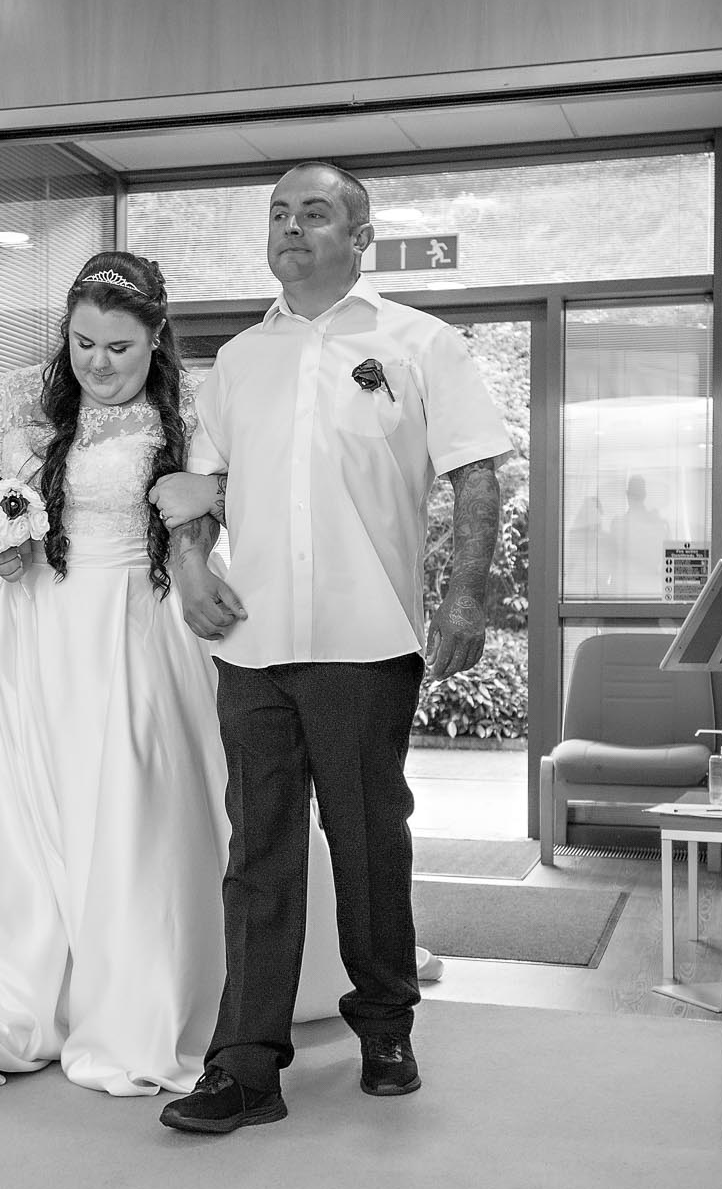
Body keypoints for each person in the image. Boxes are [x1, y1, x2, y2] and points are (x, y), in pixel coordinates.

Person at [0, 251, 405, 1097]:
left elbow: (216, 503)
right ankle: (25, 989)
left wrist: (196, 544)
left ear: (156, 341)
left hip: (144, 621)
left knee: (141, 805)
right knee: (23, 810)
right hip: (32, 633)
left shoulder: (190, 404)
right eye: (82, 341)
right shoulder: (20, 396)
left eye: (119, 348)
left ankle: (148, 997)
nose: (96, 363)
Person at [151, 163, 511, 1134]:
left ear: (360, 232)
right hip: (251, 644)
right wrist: (190, 569)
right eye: (277, 214)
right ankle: (244, 1065)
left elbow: (478, 474)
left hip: (364, 639)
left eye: (313, 213)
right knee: (257, 851)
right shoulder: (234, 362)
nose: (290, 228)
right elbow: (195, 490)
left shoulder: (417, 344)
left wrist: (467, 600)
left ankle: (385, 1023)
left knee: (365, 843)